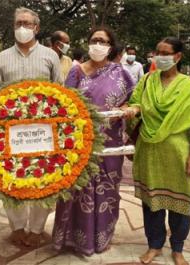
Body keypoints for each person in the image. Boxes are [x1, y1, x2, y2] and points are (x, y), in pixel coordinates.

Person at [123, 37, 190, 265]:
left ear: (178, 56)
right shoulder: (146, 81)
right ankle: (154, 245)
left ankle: (177, 248)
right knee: (151, 202)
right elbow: (136, 103)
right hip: (149, 151)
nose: (160, 56)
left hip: (179, 153)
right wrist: (131, 109)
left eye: (165, 53)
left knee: (181, 204)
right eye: (157, 52)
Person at [52, 27, 135, 256]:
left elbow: (132, 99)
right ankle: (71, 237)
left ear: (110, 46)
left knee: (106, 192)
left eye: (103, 41)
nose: (98, 44)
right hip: (79, 144)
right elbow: (64, 105)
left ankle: (100, 237)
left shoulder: (121, 72)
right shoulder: (76, 72)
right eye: (94, 40)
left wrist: (127, 109)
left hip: (110, 146)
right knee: (76, 192)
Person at [0, 7, 62, 247]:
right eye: (18, 23)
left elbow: (61, 92)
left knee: (44, 179)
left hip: (43, 133)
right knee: (11, 180)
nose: (22, 28)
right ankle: (18, 227)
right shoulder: (2, 57)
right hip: (12, 134)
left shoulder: (50, 56)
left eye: (27, 23)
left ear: (36, 28)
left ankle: (36, 229)